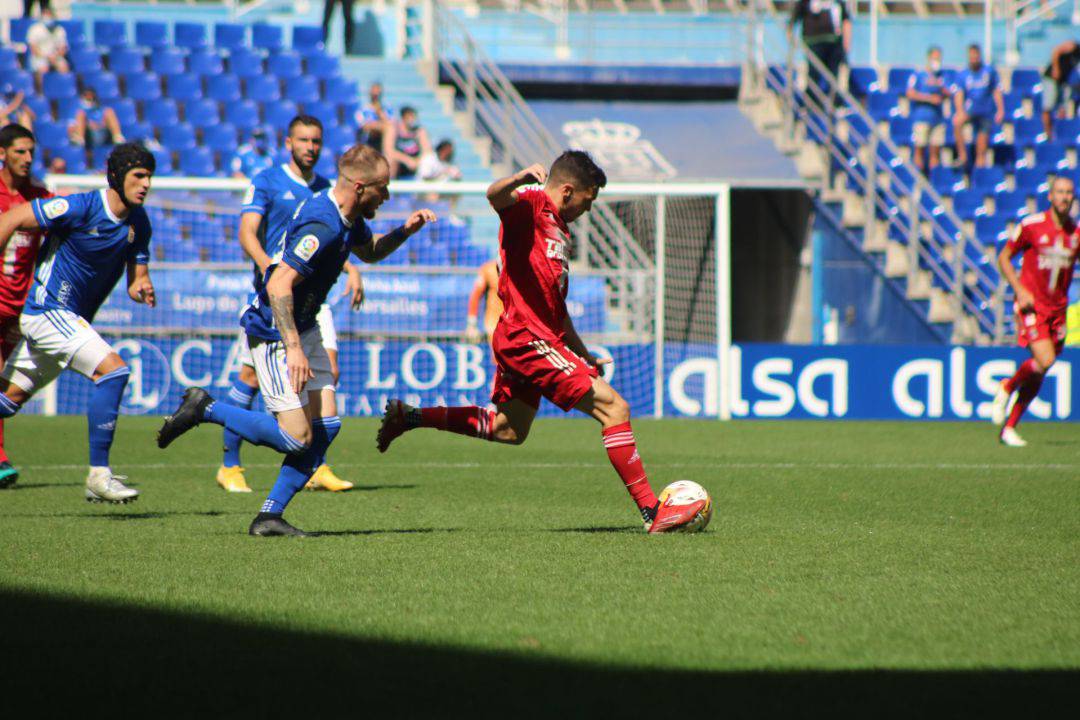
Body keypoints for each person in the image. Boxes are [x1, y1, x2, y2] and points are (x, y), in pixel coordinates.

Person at [376, 151, 705, 534]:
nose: (588, 209)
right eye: (588, 199)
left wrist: (583, 354)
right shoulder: (530, 207)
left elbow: (557, 309)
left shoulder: (560, 233)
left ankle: (409, 415)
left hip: (534, 337)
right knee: (615, 408)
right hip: (525, 338)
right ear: (568, 191)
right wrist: (518, 179)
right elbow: (494, 196)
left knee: (508, 430)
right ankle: (653, 511)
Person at [157, 145, 438, 536]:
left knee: (327, 425)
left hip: (305, 325)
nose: (387, 196)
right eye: (383, 189)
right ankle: (205, 408)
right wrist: (292, 348)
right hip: (275, 329)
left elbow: (370, 252)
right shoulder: (322, 223)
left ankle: (269, 516)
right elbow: (278, 284)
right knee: (296, 436)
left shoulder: (347, 215)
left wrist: (405, 231)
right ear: (360, 187)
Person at [0, 143, 156, 501]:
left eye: (149, 177)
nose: (146, 184)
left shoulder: (139, 222)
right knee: (114, 372)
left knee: (7, 401)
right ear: (116, 177)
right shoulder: (81, 206)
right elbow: (10, 218)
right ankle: (99, 476)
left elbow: (137, 279)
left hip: (66, 321)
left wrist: (142, 286)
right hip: (49, 311)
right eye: (138, 176)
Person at [220, 114, 362, 494]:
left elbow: (328, 243)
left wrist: (352, 269)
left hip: (314, 299)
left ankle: (316, 464)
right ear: (288, 142)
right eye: (303, 140)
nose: (310, 148)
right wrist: (272, 270)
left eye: (316, 141)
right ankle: (230, 464)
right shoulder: (267, 181)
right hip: (275, 298)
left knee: (328, 372)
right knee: (250, 379)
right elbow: (247, 233)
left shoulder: (327, 189)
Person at [991, 176, 1080, 446]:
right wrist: (1019, 289)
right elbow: (1004, 258)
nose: (1065, 197)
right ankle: (1007, 386)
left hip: (1058, 310)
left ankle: (1009, 428)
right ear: (1050, 197)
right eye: (1060, 192)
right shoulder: (1031, 226)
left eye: (1069, 193)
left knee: (1041, 369)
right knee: (1046, 360)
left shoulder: (1075, 233)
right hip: (1032, 305)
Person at [0, 124, 51, 488]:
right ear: (3, 153)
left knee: (9, 385)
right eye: (20, 151)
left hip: (21, 307)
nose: (27, 158)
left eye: (31, 152)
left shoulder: (40, 198)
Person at [952, 44, 1004, 170]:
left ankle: (978, 174)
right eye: (971, 56)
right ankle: (963, 156)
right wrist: (960, 111)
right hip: (970, 110)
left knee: (981, 147)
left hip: (985, 112)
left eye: (976, 56)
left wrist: (1000, 110)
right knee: (957, 122)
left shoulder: (989, 71)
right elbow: (959, 94)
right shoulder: (963, 74)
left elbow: (996, 91)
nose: (974, 58)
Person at [788, 0, 851, 101]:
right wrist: (790, 35)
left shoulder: (837, 3)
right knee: (813, 74)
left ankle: (834, 103)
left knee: (833, 76)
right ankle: (811, 103)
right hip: (813, 43)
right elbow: (795, 18)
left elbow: (846, 21)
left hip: (833, 43)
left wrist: (846, 43)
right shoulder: (806, 2)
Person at [906, 46, 950, 172]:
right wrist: (929, 98)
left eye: (938, 58)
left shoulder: (942, 76)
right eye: (934, 58)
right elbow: (910, 93)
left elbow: (950, 92)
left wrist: (942, 90)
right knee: (919, 150)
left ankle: (934, 180)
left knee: (935, 152)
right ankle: (919, 180)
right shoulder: (919, 75)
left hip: (937, 120)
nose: (936, 61)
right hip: (921, 118)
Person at [1041, 40, 1080, 140]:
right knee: (1048, 106)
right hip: (1051, 78)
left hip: (1063, 82)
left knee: (1063, 108)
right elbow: (1056, 50)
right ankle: (1048, 136)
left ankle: (1060, 136)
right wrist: (1056, 68)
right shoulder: (1074, 46)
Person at [386, 106, 431, 180]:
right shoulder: (394, 128)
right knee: (391, 161)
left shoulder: (419, 130)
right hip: (399, 163)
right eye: (410, 116)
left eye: (414, 116)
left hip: (415, 164)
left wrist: (417, 161)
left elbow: (427, 151)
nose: (413, 119)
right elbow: (389, 150)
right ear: (404, 117)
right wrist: (407, 160)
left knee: (428, 162)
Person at [26, 8, 69, 86]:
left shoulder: (60, 30)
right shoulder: (35, 29)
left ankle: (62, 91)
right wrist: (47, 57)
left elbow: (63, 49)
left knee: (64, 67)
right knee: (43, 69)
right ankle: (41, 93)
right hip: (39, 57)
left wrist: (55, 56)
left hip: (56, 56)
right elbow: (34, 49)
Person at [465, 259, 501, 345]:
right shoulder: (489, 269)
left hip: (517, 323)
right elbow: (476, 295)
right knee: (498, 356)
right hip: (495, 323)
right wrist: (471, 324)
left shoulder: (520, 268)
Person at [354, 81, 394, 150]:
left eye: (378, 92)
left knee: (390, 128)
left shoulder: (387, 109)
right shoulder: (362, 110)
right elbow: (363, 126)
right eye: (374, 91)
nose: (376, 94)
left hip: (382, 139)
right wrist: (378, 125)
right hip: (368, 139)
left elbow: (391, 125)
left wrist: (381, 114)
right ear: (369, 93)